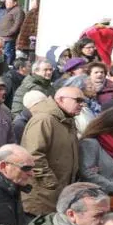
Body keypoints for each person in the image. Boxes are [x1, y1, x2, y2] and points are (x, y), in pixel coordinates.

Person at [23, 86, 86, 216]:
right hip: (42, 196)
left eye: (83, 101)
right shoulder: (44, 120)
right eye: (78, 100)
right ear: (61, 99)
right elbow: (33, 156)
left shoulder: (68, 120)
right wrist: (52, 184)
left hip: (58, 193)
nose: (82, 104)